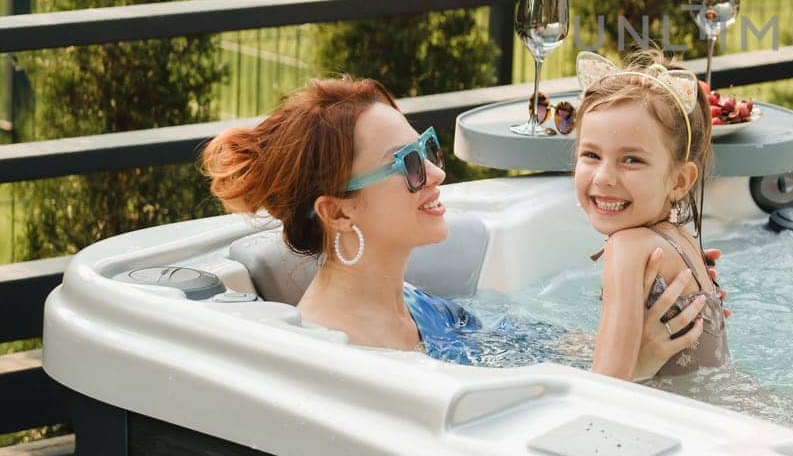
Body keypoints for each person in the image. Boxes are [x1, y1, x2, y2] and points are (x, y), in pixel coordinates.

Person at [203, 75, 709, 377]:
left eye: (427, 149)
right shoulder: (336, 352)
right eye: (408, 163)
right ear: (338, 211)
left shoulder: (421, 307)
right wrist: (635, 374)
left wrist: (655, 314)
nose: (438, 173)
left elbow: (550, 354)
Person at [572, 50, 730, 379]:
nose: (603, 177)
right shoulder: (680, 238)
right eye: (591, 154)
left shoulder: (628, 247)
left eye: (631, 160)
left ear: (680, 180)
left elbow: (602, 390)